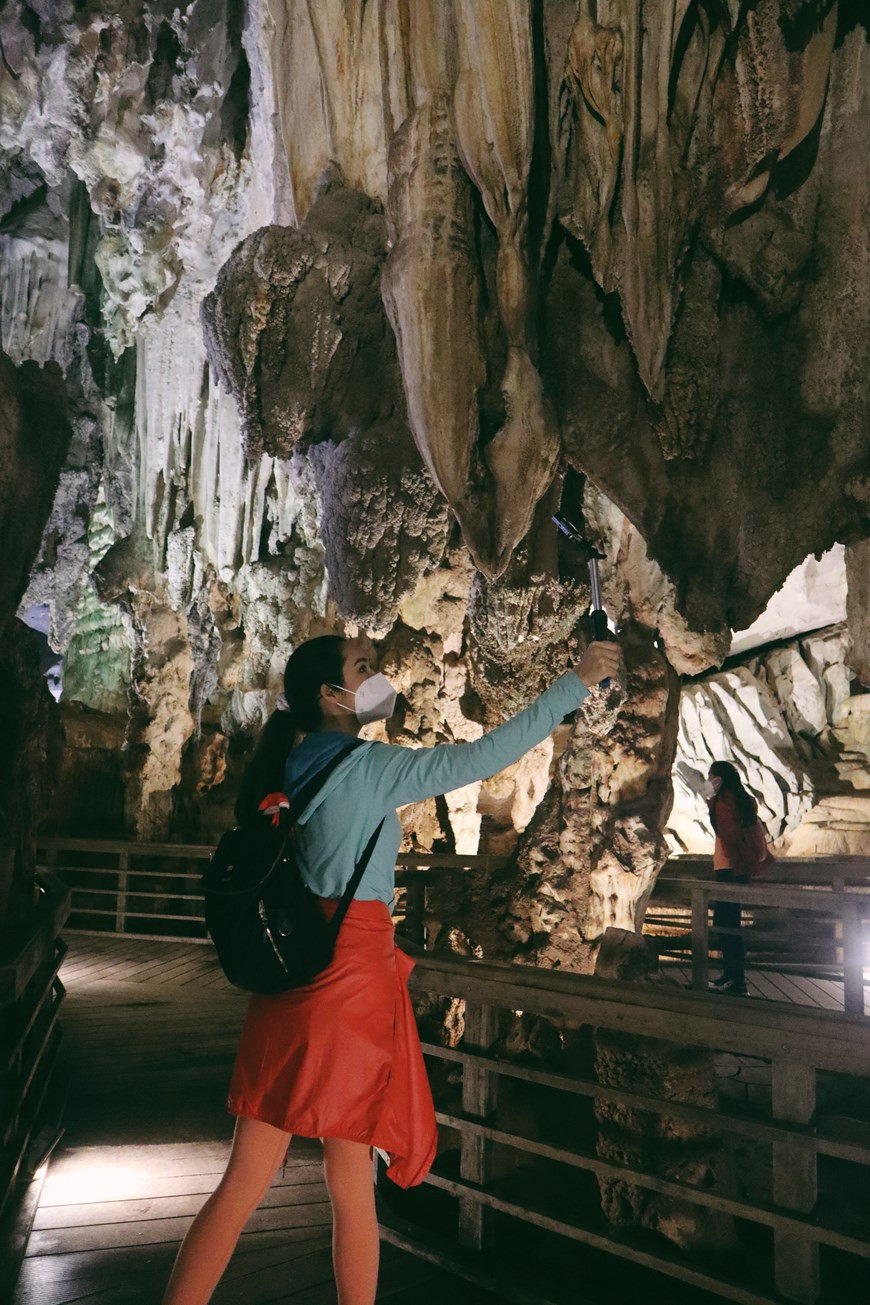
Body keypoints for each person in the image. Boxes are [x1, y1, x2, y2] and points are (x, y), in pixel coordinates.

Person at [162, 631, 620, 1305]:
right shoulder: (367, 767)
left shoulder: (291, 764)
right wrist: (574, 682)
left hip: (290, 984)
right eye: (363, 667)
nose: (378, 675)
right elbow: (484, 755)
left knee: (242, 1182)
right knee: (352, 1187)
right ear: (331, 695)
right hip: (350, 986)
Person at [704, 760, 774, 996]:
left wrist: (710, 800)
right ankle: (732, 975)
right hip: (739, 870)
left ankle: (736, 980)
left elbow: (729, 836)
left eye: (711, 777)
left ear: (719, 780)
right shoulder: (744, 800)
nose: (708, 781)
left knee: (726, 925)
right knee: (728, 923)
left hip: (729, 869)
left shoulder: (724, 803)